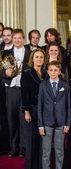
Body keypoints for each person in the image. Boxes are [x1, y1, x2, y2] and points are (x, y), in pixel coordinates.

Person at [37, 60, 71, 169]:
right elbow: (40, 106)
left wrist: (67, 123)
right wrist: (40, 125)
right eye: (51, 70)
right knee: (46, 152)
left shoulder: (65, 85)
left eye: (55, 70)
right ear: (48, 71)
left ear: (59, 71)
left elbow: (68, 106)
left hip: (61, 122)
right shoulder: (43, 85)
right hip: (47, 122)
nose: (53, 72)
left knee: (59, 151)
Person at [1, 28, 30, 157]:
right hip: (10, 90)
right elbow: (1, 72)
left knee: (23, 120)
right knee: (11, 119)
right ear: (12, 39)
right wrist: (6, 74)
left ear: (23, 39)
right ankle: (13, 148)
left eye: (20, 38)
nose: (17, 40)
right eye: (15, 38)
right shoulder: (5, 53)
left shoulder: (30, 53)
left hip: (24, 91)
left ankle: (23, 148)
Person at [21, 48, 48, 169]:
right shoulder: (26, 73)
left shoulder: (46, 73)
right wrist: (26, 111)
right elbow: (24, 94)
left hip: (45, 111)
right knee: (32, 142)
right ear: (32, 59)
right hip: (32, 111)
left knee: (44, 143)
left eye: (41, 57)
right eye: (37, 57)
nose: (39, 59)